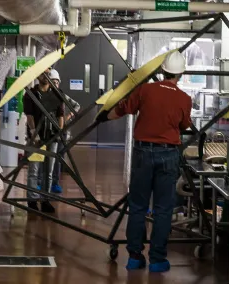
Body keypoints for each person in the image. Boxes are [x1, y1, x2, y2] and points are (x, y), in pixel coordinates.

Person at [98, 51, 191, 273]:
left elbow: (123, 108)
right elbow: (184, 125)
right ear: (180, 75)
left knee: (138, 206)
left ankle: (134, 257)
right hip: (168, 155)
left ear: (162, 70)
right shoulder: (184, 99)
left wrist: (104, 116)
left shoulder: (146, 90)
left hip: (142, 153)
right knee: (163, 209)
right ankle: (157, 260)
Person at [24, 68, 65, 213]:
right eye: (43, 74)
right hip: (37, 138)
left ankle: (45, 200)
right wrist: (34, 132)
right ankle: (32, 201)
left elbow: (61, 114)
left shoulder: (56, 94)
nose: (46, 77)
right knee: (34, 171)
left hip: (52, 137)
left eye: (48, 74)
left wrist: (59, 132)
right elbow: (29, 115)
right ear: (38, 76)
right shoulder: (31, 94)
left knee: (49, 170)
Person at [44, 69, 81, 194]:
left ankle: (55, 183)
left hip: (61, 130)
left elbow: (77, 105)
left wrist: (68, 116)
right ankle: (41, 182)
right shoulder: (45, 96)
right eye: (53, 81)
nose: (55, 84)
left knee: (58, 157)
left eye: (57, 82)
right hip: (47, 130)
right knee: (45, 157)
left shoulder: (62, 96)